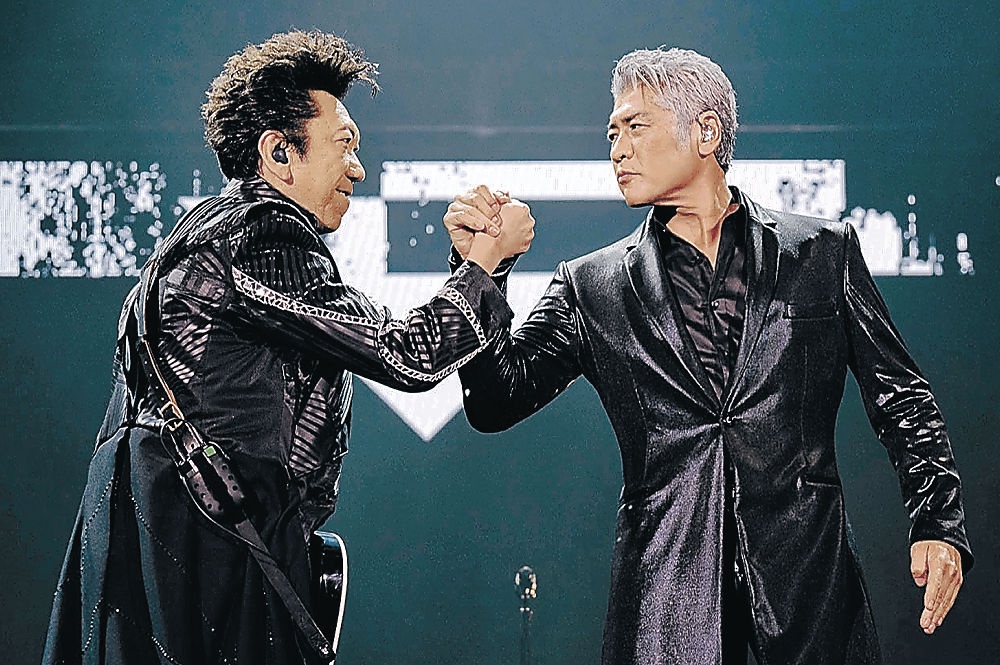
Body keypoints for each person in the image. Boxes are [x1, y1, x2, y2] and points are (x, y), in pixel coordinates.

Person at [443, 47, 971, 665]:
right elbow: (495, 401)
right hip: (665, 600)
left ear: (705, 132)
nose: (617, 149)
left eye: (635, 127)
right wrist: (481, 270)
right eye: (611, 133)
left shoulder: (822, 252)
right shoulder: (592, 285)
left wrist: (938, 521)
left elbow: (901, 395)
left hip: (808, 587)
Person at [42, 29, 533, 665]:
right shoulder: (262, 231)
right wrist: (486, 262)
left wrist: (475, 270)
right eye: (345, 144)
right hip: (209, 568)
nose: (358, 168)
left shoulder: (206, 235)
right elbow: (408, 354)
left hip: (169, 560)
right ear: (279, 153)